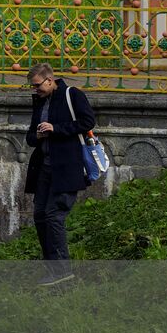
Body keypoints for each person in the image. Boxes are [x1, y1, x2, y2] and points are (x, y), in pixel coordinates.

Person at [24, 63, 95, 285]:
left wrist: (56, 129)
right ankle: (52, 269)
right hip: (44, 169)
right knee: (40, 217)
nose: (35, 90)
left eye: (37, 86)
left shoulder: (71, 94)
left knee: (54, 216)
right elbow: (30, 138)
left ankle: (62, 272)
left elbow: (87, 122)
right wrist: (38, 136)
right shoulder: (40, 102)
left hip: (66, 168)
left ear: (49, 80)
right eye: (33, 87)